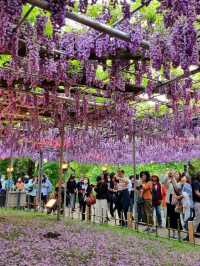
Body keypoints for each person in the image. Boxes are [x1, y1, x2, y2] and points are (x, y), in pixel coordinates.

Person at [165, 171, 182, 239]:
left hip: (176, 202)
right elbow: (165, 185)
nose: (175, 175)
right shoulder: (170, 181)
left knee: (176, 217)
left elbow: (177, 189)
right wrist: (167, 175)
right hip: (169, 201)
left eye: (177, 174)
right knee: (170, 217)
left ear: (179, 175)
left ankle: (178, 234)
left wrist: (173, 179)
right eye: (174, 174)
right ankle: (173, 233)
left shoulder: (180, 183)